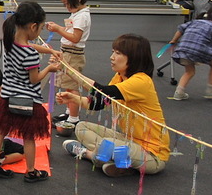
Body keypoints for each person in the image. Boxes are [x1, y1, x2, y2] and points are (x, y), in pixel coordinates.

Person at [57, 34, 170, 177]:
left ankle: (88, 154)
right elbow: (99, 103)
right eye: (113, 52)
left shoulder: (142, 81)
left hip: (152, 154)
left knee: (107, 144)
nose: (112, 57)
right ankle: (117, 162)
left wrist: (67, 69)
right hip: (128, 140)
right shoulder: (119, 76)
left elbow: (102, 92)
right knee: (81, 127)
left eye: (118, 53)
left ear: (134, 57)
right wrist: (75, 98)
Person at [0, 1, 60, 182]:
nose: (40, 32)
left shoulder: (9, 42)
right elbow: (34, 79)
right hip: (27, 101)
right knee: (29, 137)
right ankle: (31, 171)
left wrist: (49, 50)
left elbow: (29, 46)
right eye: (41, 28)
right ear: (33, 26)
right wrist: (49, 69)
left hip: (7, 97)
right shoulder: (30, 55)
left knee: (0, 132)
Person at [47, 0, 91, 125]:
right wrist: (58, 27)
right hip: (68, 53)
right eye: (64, 4)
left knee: (72, 87)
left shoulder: (82, 16)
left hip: (73, 54)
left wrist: (58, 29)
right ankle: (69, 113)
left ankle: (73, 118)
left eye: (68, 4)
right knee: (67, 85)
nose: (66, 7)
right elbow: (70, 31)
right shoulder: (77, 14)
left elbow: (75, 38)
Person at [169, 6, 212, 100]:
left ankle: (179, 92)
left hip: (183, 49)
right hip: (200, 51)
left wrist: (173, 41)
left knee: (189, 72)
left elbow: (180, 29)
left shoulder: (195, 21)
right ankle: (211, 88)